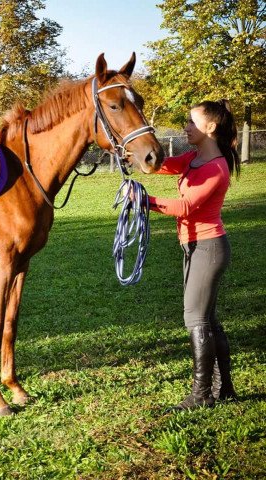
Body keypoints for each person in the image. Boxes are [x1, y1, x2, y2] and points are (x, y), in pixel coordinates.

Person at [147, 99, 240, 410]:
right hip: (194, 246)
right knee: (209, 320)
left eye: (190, 121)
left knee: (195, 318)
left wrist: (145, 200)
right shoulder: (192, 159)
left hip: (209, 247)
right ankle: (223, 388)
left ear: (210, 127)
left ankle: (201, 395)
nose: (185, 127)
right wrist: (129, 152)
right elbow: (156, 164)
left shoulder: (216, 167)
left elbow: (185, 207)